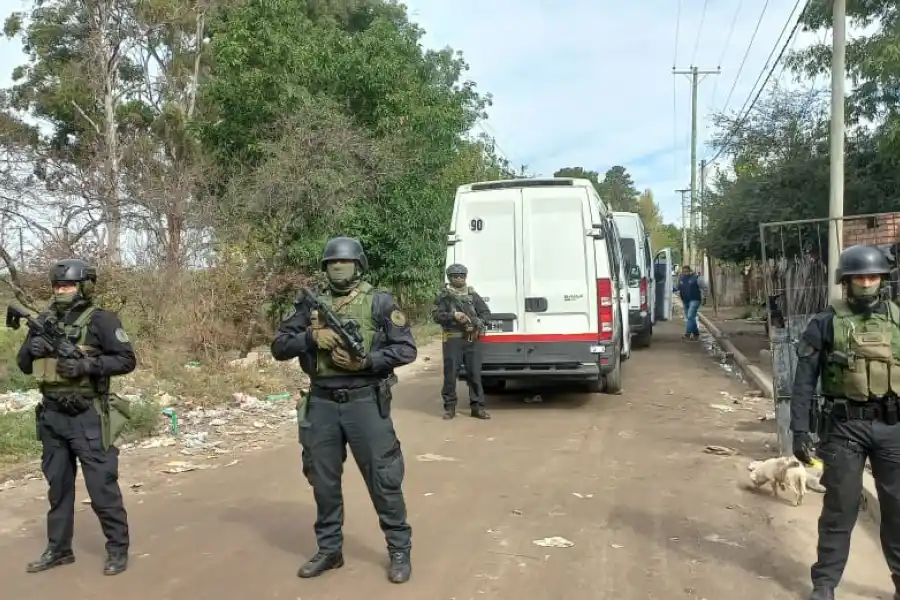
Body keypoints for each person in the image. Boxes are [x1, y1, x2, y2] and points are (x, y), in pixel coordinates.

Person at [271, 236, 416, 584]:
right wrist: (310, 338)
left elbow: (406, 350)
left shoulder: (380, 302)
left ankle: (399, 549)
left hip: (365, 401)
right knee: (322, 480)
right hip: (321, 403)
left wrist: (366, 361)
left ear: (358, 265)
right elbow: (278, 346)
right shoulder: (311, 306)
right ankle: (329, 549)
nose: (337, 266)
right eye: (331, 262)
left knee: (384, 479)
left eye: (344, 262)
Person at [790, 244, 900, 600]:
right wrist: (799, 430)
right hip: (844, 429)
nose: (866, 284)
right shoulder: (824, 323)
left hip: (893, 428)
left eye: (872, 277)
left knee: (898, 511)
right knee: (840, 508)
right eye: (859, 278)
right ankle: (824, 584)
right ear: (846, 282)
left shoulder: (898, 320)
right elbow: (804, 381)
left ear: (882, 280)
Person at [17, 258, 136, 575]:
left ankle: (117, 549)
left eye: (68, 284)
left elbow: (126, 360)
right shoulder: (44, 320)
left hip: (89, 417)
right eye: (58, 285)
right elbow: (23, 365)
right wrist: (34, 349)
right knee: (58, 489)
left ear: (85, 287)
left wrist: (88, 366)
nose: (62, 290)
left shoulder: (103, 321)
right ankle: (59, 550)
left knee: (102, 488)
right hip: (53, 417)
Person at [431, 263, 491, 420]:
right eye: (455, 276)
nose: (459, 279)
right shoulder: (444, 296)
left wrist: (478, 321)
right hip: (453, 339)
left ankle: (477, 408)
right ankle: (450, 408)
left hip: (472, 339)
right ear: (450, 278)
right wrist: (453, 316)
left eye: (461, 276)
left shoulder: (472, 295)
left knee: (474, 374)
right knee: (451, 375)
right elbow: (436, 316)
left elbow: (486, 312)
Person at [676, 265, 702, 340]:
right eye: (683, 272)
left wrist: (704, 296)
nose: (685, 273)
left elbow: (704, 287)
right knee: (690, 318)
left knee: (690, 316)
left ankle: (687, 334)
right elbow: (678, 287)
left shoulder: (695, 278)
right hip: (685, 300)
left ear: (690, 271)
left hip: (695, 299)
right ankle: (696, 333)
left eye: (686, 271)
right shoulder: (681, 279)